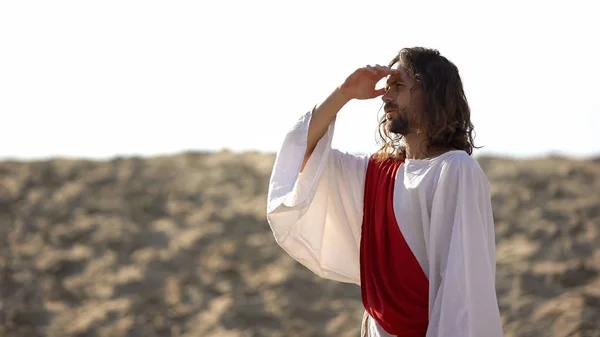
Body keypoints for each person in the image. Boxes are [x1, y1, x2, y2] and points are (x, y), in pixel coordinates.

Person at [266, 47, 504, 337]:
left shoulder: (455, 170)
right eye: (387, 88)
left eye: (399, 87)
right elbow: (302, 152)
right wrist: (345, 93)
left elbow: (462, 289)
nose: (385, 97)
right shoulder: (376, 172)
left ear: (433, 95)